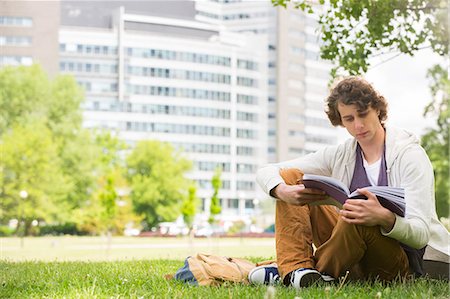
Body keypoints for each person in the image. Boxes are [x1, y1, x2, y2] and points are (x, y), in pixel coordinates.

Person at [250, 76, 449, 289]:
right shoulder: (341, 154)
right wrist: (282, 190)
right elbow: (267, 170)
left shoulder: (410, 156)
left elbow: (420, 235)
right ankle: (296, 271)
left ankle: (293, 273)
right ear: (340, 121)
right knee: (290, 177)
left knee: (359, 217)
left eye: (363, 114)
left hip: (401, 262)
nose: (358, 125)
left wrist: (384, 217)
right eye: (349, 119)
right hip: (352, 253)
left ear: (378, 110)